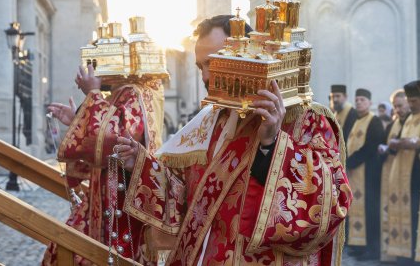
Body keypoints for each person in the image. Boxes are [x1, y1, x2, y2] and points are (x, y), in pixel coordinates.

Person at [116, 15, 352, 265]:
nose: (206, 76)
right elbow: (184, 194)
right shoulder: (211, 119)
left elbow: (330, 204)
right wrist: (140, 166)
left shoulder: (305, 119)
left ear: (245, 57)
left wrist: (271, 146)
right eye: (200, 67)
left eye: (214, 63)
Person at [41, 65, 165, 265]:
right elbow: (98, 144)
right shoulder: (120, 93)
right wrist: (78, 118)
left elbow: (114, 141)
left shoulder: (135, 92)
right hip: (103, 205)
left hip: (123, 212)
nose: (92, 68)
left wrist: (92, 93)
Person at [387, 81, 420, 265]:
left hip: (419, 177)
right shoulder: (409, 117)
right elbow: (397, 142)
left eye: (415, 100)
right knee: (406, 217)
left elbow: (418, 144)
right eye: (409, 100)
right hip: (403, 179)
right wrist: (399, 143)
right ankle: (406, 255)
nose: (411, 104)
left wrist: (414, 143)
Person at [344, 88, 385, 260]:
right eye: (357, 99)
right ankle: (359, 245)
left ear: (369, 103)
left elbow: (371, 146)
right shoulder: (356, 121)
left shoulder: (373, 120)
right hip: (356, 174)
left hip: (368, 174)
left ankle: (372, 249)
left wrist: (350, 162)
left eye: (362, 99)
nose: (359, 102)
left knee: (370, 211)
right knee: (356, 209)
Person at [378, 89, 410, 262]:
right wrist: (383, 149)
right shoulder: (392, 124)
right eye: (395, 106)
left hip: (407, 176)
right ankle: (394, 254)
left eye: (400, 105)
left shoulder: (413, 122)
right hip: (390, 175)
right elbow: (384, 145)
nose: (397, 110)